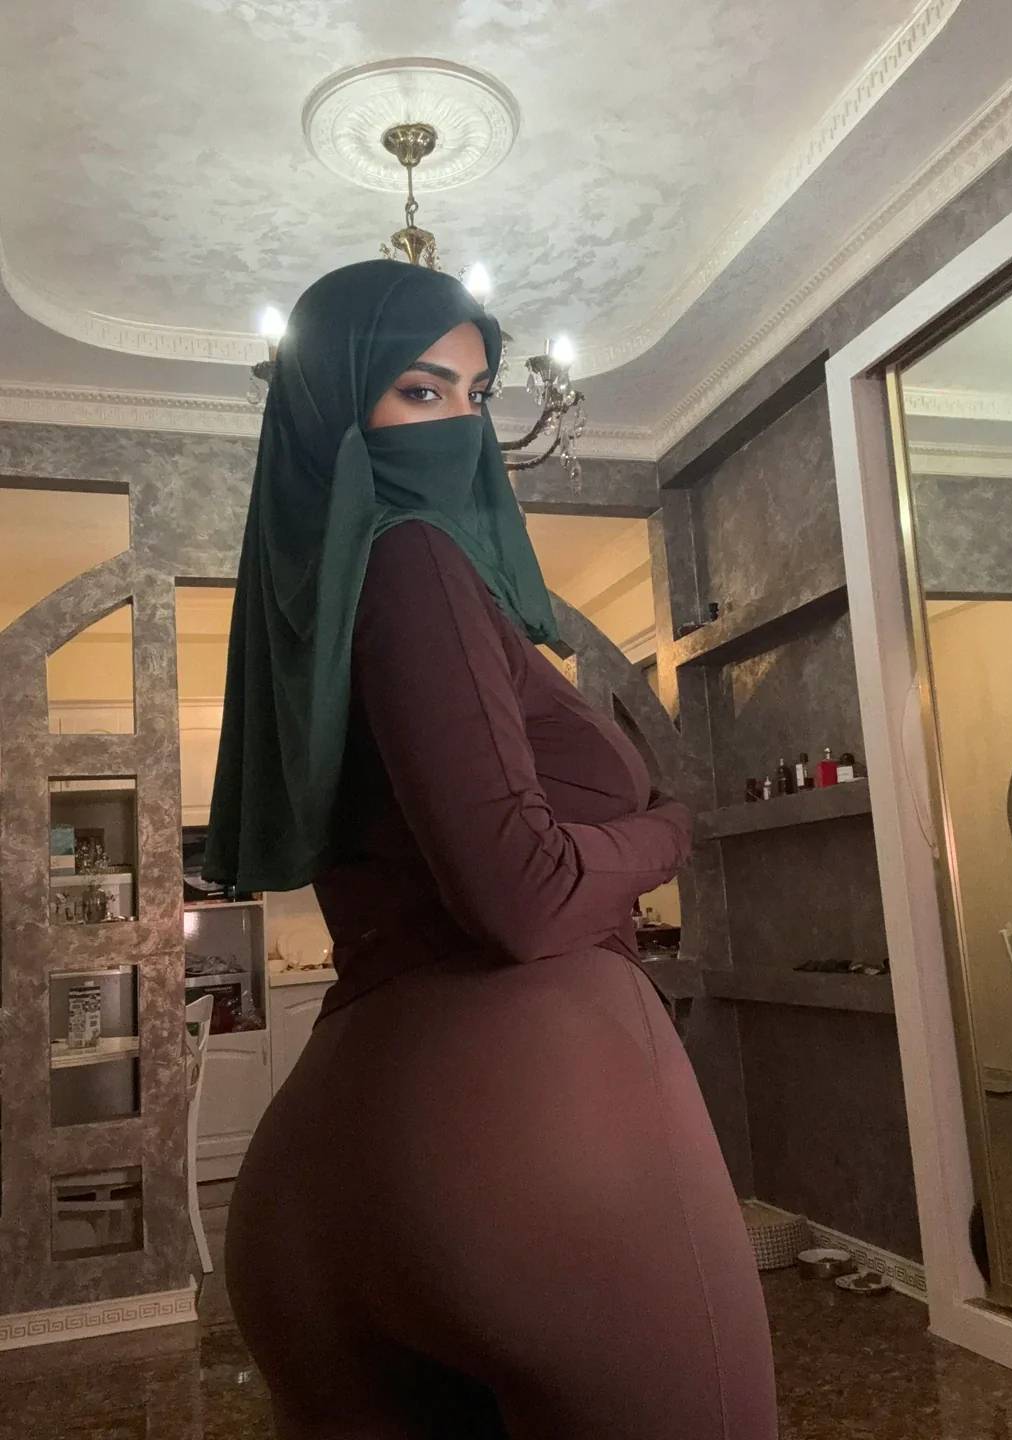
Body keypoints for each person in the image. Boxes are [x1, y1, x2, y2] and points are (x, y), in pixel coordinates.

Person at [204, 260, 777, 1439]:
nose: (462, 430)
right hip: (522, 1132)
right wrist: (669, 825)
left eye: (475, 397)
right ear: (336, 407)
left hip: (319, 1171)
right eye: (421, 392)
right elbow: (527, 897)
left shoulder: (315, 595)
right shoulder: (415, 555)